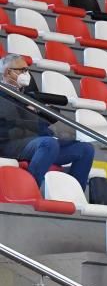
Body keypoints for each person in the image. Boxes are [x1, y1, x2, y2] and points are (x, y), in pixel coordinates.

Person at [0, 54, 94, 189]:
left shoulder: (27, 95)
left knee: (85, 149)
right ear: (9, 72)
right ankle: (29, 189)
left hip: (36, 141)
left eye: (28, 70)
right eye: (23, 70)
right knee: (49, 143)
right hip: (10, 142)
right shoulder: (2, 92)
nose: (27, 74)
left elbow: (44, 117)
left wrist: (38, 114)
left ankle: (73, 193)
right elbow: (16, 119)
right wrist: (36, 114)